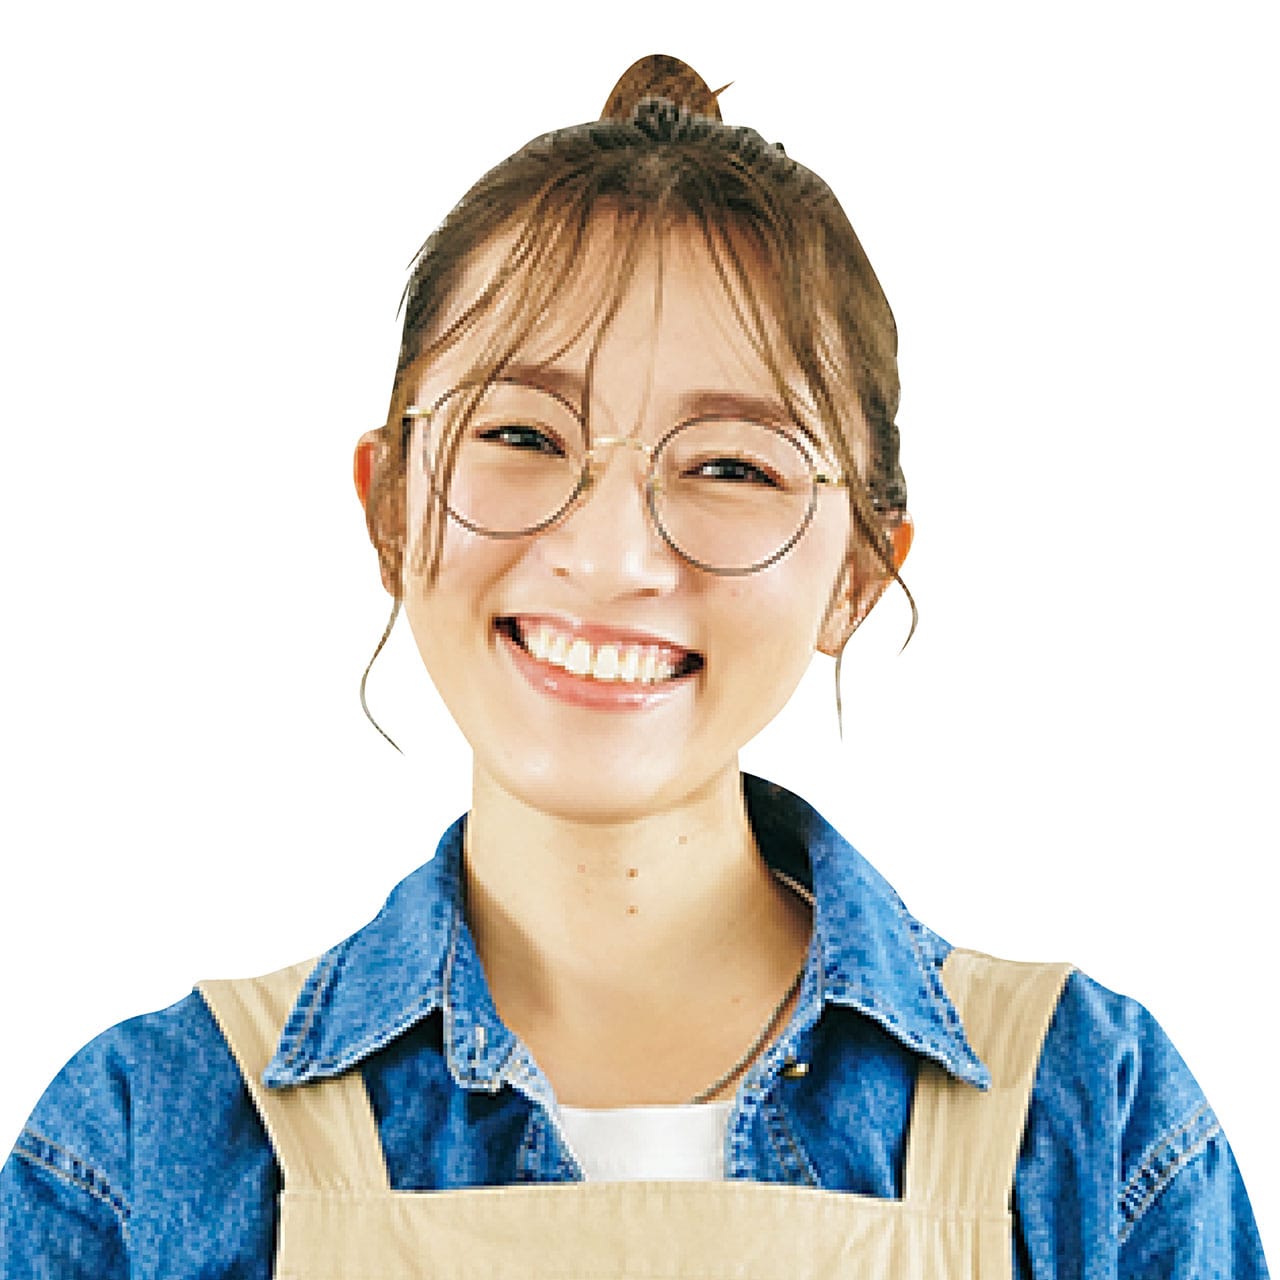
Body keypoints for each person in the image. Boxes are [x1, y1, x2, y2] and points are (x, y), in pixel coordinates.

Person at [1, 52, 1268, 1278]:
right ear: (388, 506)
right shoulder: (151, 1140)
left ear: (857, 573)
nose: (607, 556)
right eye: (520, 434)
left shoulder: (1087, 1124)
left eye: (730, 464)